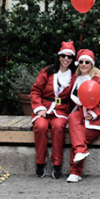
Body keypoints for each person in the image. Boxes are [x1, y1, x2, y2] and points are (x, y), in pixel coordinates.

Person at [30, 41, 76, 179]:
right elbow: (35, 91)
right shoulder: (47, 72)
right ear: (59, 56)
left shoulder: (74, 76)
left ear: (73, 59)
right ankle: (40, 162)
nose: (66, 59)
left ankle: (57, 164)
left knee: (58, 126)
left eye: (69, 57)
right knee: (40, 126)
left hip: (61, 110)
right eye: (63, 56)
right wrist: (39, 109)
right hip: (43, 108)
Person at [65, 49, 100, 183]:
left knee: (78, 136)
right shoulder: (76, 78)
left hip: (97, 120)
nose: (84, 64)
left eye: (87, 62)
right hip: (81, 116)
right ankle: (80, 151)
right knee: (73, 117)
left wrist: (93, 113)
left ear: (92, 64)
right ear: (77, 63)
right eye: (81, 62)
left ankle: (75, 172)